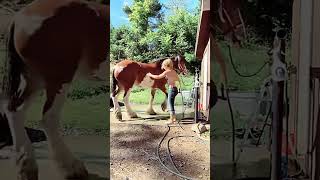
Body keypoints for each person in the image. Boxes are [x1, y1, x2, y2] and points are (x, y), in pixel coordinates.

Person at [147, 58, 181, 124]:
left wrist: (150, 75)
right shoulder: (173, 71)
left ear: (166, 65)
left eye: (164, 66)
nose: (163, 68)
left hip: (172, 89)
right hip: (175, 89)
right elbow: (178, 79)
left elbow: (158, 77)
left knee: (170, 104)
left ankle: (171, 120)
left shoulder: (167, 71)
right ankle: (173, 118)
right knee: (171, 103)